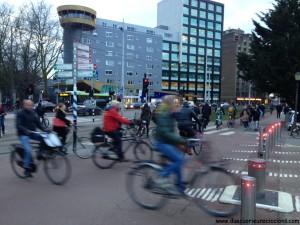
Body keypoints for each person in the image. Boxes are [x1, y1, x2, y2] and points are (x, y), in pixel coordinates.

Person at [153, 95, 187, 196]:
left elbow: (173, 132)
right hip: (162, 143)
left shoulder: (171, 116)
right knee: (180, 160)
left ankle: (179, 187)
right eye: (175, 104)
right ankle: (160, 177)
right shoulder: (164, 115)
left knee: (179, 160)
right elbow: (166, 133)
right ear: (170, 105)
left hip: (168, 142)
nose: (178, 107)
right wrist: (181, 140)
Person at [16, 100, 47, 177]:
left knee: (44, 138)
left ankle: (39, 153)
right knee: (28, 150)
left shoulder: (33, 112)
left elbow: (37, 123)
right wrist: (26, 130)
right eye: (29, 105)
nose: (31, 107)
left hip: (32, 132)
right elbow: (18, 125)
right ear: (24, 105)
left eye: (32, 105)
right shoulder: (20, 113)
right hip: (23, 134)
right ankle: (26, 169)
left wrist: (44, 130)